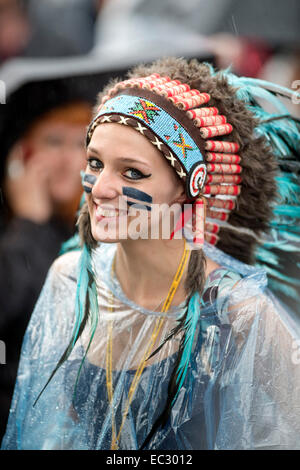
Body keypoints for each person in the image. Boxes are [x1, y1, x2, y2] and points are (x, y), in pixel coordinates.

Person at [1, 57, 300, 450]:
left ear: (186, 188)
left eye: (132, 173)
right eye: (95, 163)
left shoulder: (237, 313)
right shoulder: (71, 279)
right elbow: (43, 433)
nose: (101, 189)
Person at [0, 77, 92, 440]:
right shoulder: (15, 234)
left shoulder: (98, 231)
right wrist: (29, 223)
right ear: (22, 155)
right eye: (53, 141)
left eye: (81, 144)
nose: (69, 159)